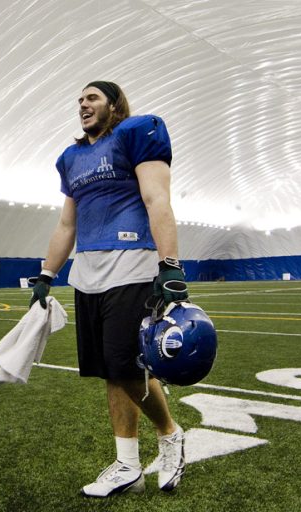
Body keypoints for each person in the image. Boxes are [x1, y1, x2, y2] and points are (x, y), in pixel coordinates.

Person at [29, 81, 189, 497]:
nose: (83, 104)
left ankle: (170, 434)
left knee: (124, 364)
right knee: (110, 371)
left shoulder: (138, 133)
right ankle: (128, 466)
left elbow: (157, 200)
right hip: (89, 272)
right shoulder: (71, 157)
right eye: (79, 100)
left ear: (113, 105)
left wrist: (169, 265)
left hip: (132, 264)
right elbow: (68, 225)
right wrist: (46, 274)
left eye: (92, 98)